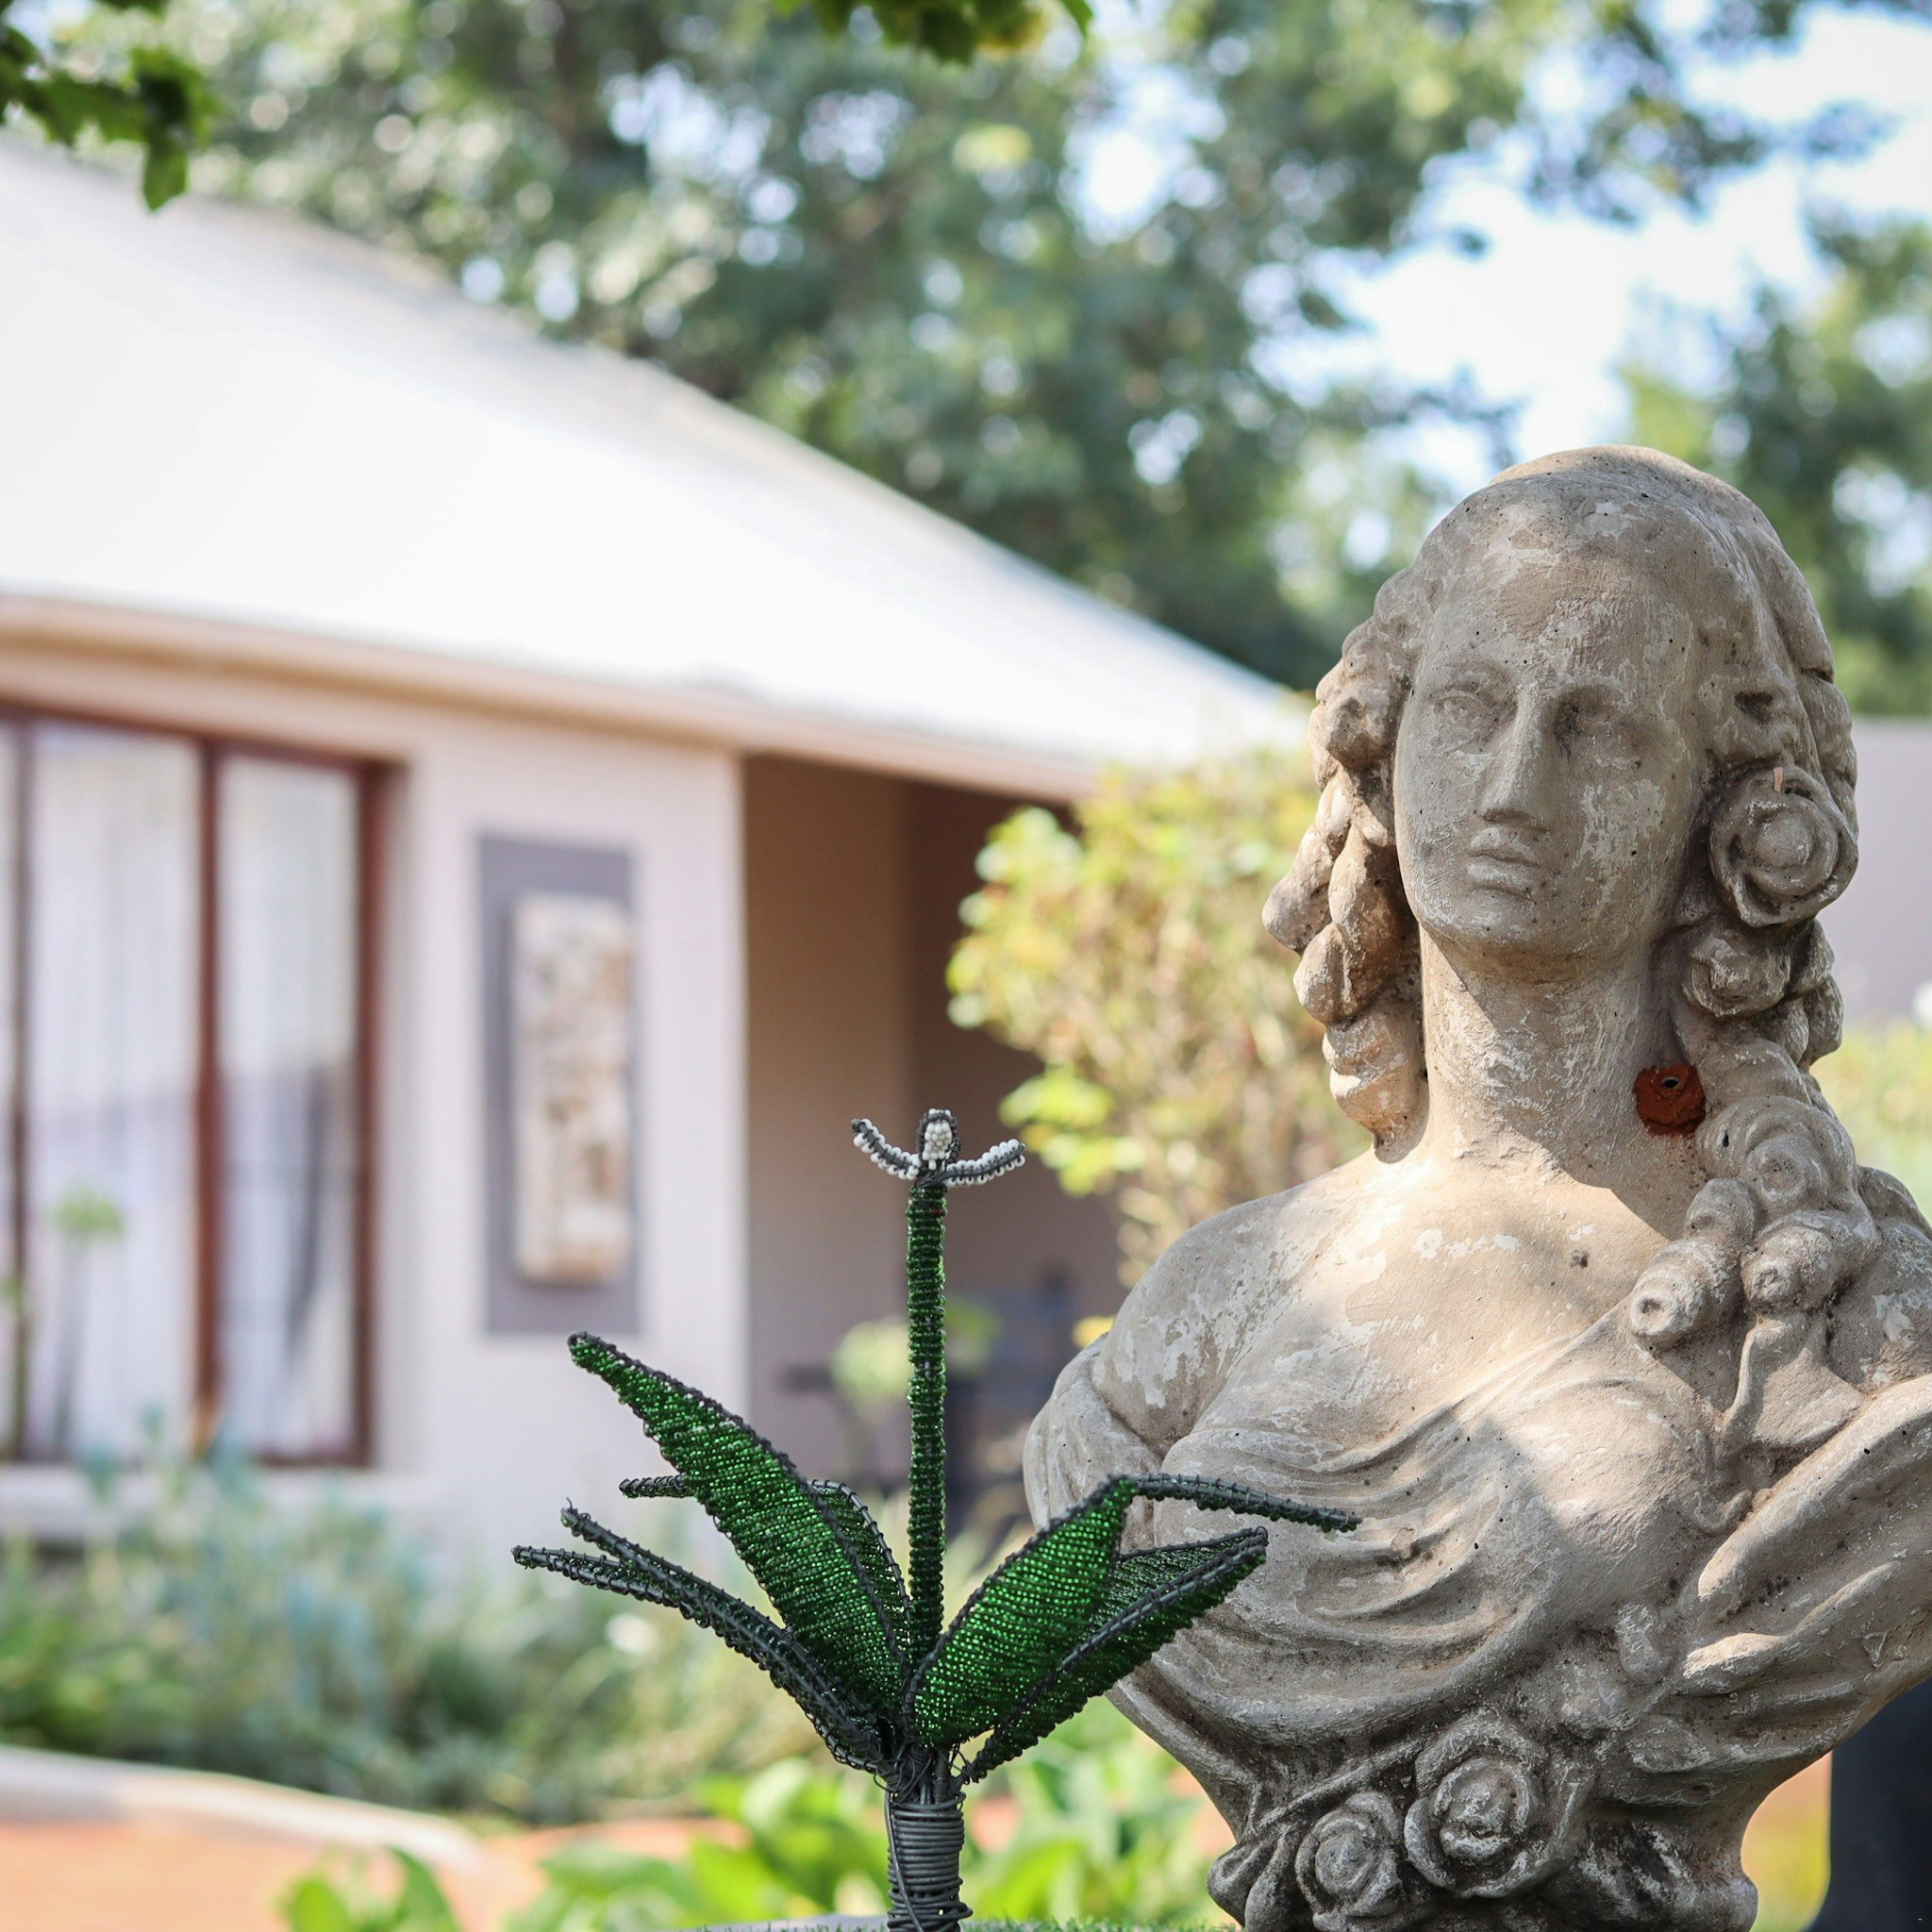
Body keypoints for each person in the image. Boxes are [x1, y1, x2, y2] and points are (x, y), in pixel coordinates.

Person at [1026, 447, 1932, 1932]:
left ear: (1721, 812)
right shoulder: (1208, 1305)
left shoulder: (1844, 1321)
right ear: (1382, 754)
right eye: (1469, 707)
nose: (1515, 786)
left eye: (1596, 727)